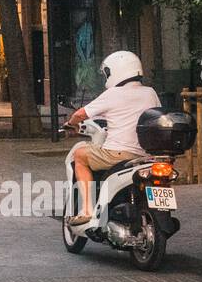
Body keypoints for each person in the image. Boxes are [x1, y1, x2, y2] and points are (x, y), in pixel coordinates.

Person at [63, 50, 162, 226]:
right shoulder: (150, 93)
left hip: (117, 154)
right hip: (145, 156)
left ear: (116, 71)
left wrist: (71, 123)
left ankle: (86, 210)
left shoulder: (113, 94)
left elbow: (80, 114)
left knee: (79, 154)